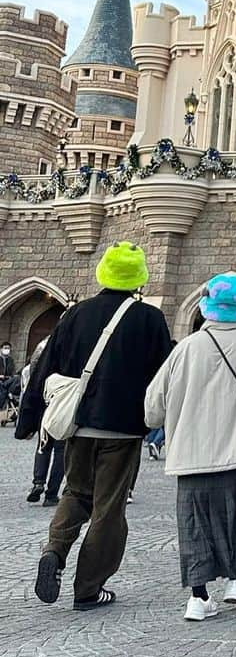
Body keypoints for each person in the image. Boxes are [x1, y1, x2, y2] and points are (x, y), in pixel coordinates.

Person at [18, 242, 171, 611]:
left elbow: (48, 363)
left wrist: (29, 417)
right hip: (122, 427)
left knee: (75, 492)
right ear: (139, 278)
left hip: (80, 423)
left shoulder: (76, 314)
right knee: (108, 508)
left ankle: (54, 550)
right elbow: (165, 375)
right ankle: (88, 588)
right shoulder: (149, 318)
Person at [145, 273, 236, 620]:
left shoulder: (186, 348)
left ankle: (198, 597)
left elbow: (153, 406)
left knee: (194, 521)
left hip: (191, 453)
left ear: (207, 305)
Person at [23, 338, 64, 504]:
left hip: (46, 407)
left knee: (43, 446)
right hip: (64, 407)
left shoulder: (43, 348)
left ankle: (38, 482)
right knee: (61, 451)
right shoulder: (72, 346)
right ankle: (51, 494)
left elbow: (33, 378)